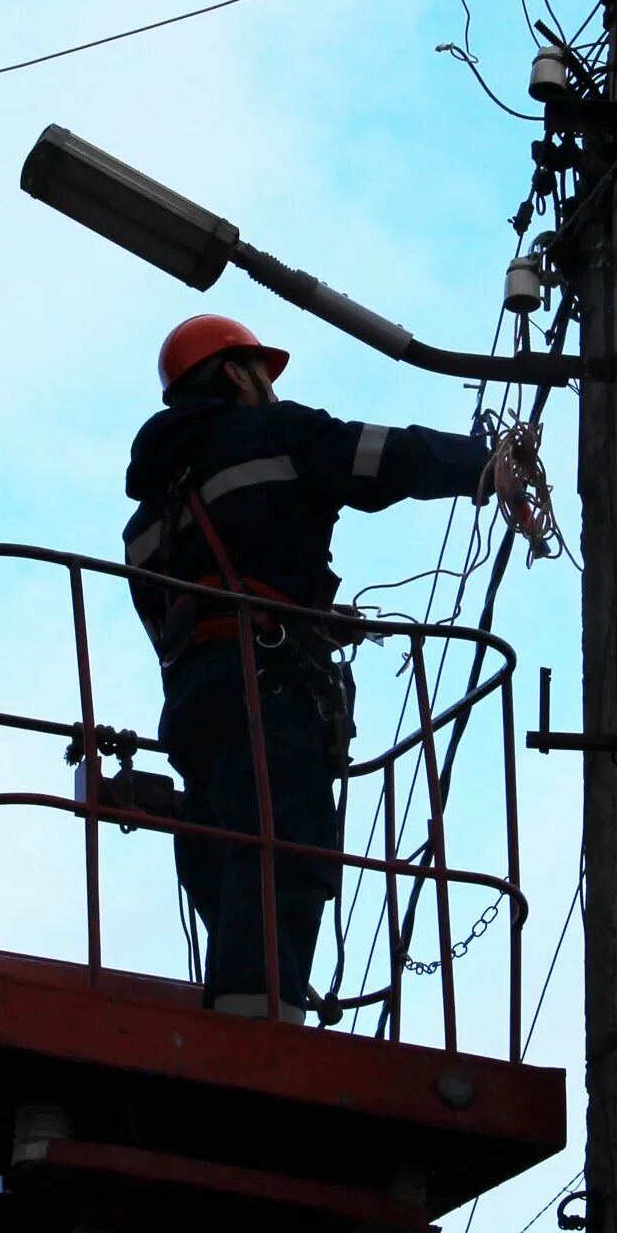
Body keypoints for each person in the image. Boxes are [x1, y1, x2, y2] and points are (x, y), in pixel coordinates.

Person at [122, 314, 519, 1020]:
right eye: (262, 374)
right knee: (284, 842)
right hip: (266, 684)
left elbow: (187, 611)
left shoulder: (147, 519)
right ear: (240, 373)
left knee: (222, 849)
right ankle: (259, 1024)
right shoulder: (274, 434)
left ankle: (242, 1001)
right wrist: (485, 466)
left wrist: (308, 620)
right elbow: (379, 457)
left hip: (191, 701)